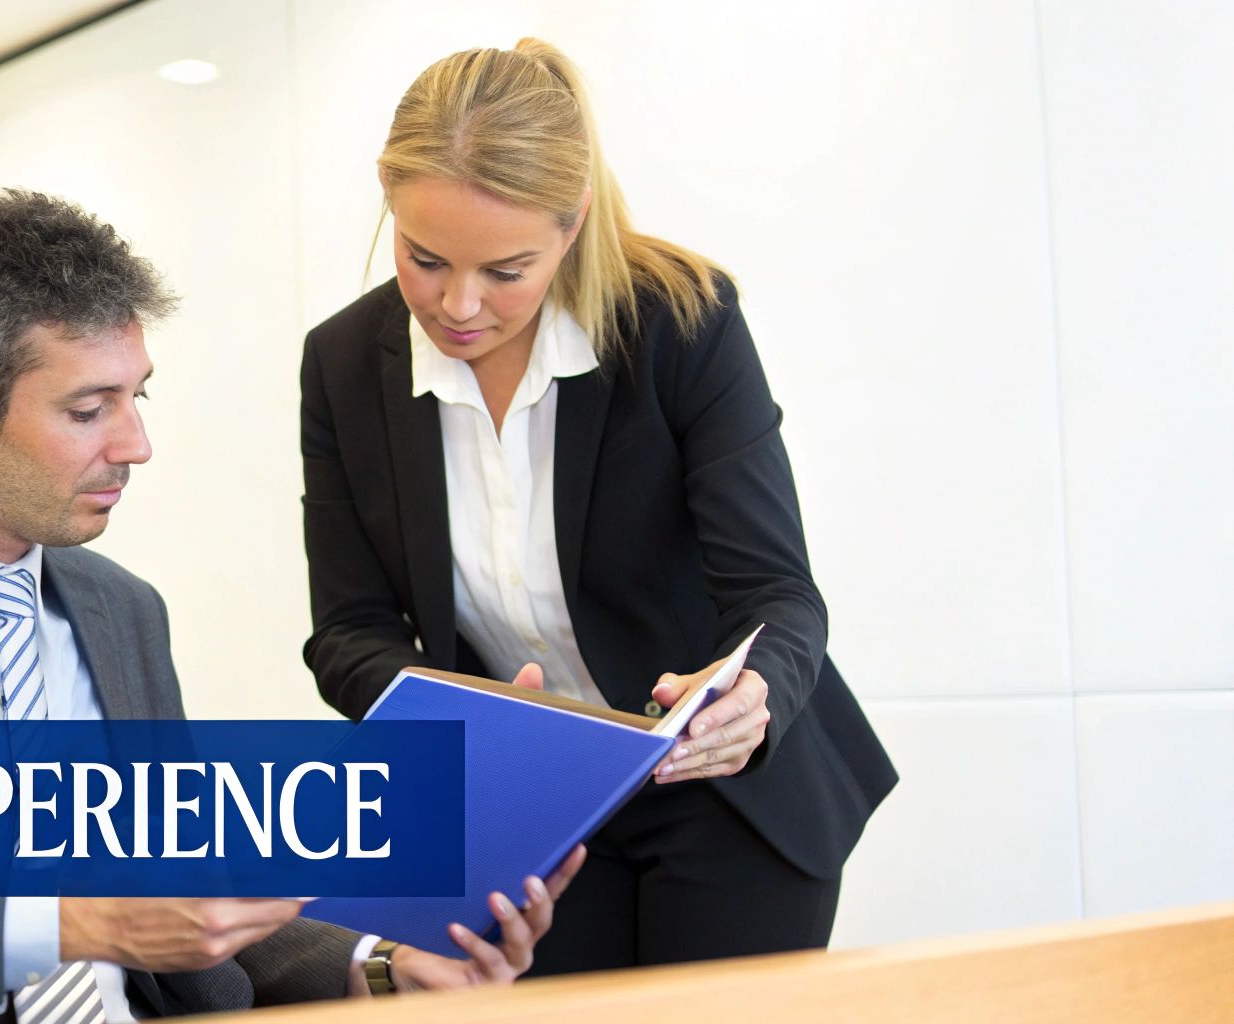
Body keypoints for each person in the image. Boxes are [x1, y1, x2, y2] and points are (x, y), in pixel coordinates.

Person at [0, 188, 580, 1021]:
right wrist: (71, 922)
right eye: (89, 410)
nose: (134, 446)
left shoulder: (122, 610)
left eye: (138, 399)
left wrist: (381, 968)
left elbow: (190, 907)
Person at [299, 40, 897, 974]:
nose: (458, 305)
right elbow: (348, 630)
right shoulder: (341, 365)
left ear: (571, 224)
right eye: (425, 260)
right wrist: (467, 718)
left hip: (721, 790)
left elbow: (779, 595)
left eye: (506, 270)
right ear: (387, 191)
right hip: (529, 810)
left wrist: (754, 699)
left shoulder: (682, 322)